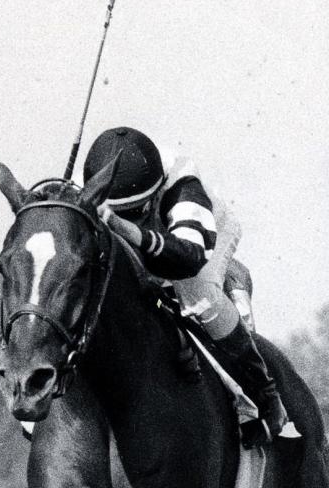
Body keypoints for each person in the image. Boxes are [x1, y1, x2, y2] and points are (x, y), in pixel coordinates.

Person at [83, 127, 288, 446]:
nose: (128, 221)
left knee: (197, 292)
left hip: (204, 239)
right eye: (119, 214)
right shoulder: (92, 188)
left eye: (136, 213)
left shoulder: (183, 189)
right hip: (162, 242)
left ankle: (266, 397)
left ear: (152, 197)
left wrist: (132, 232)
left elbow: (189, 258)